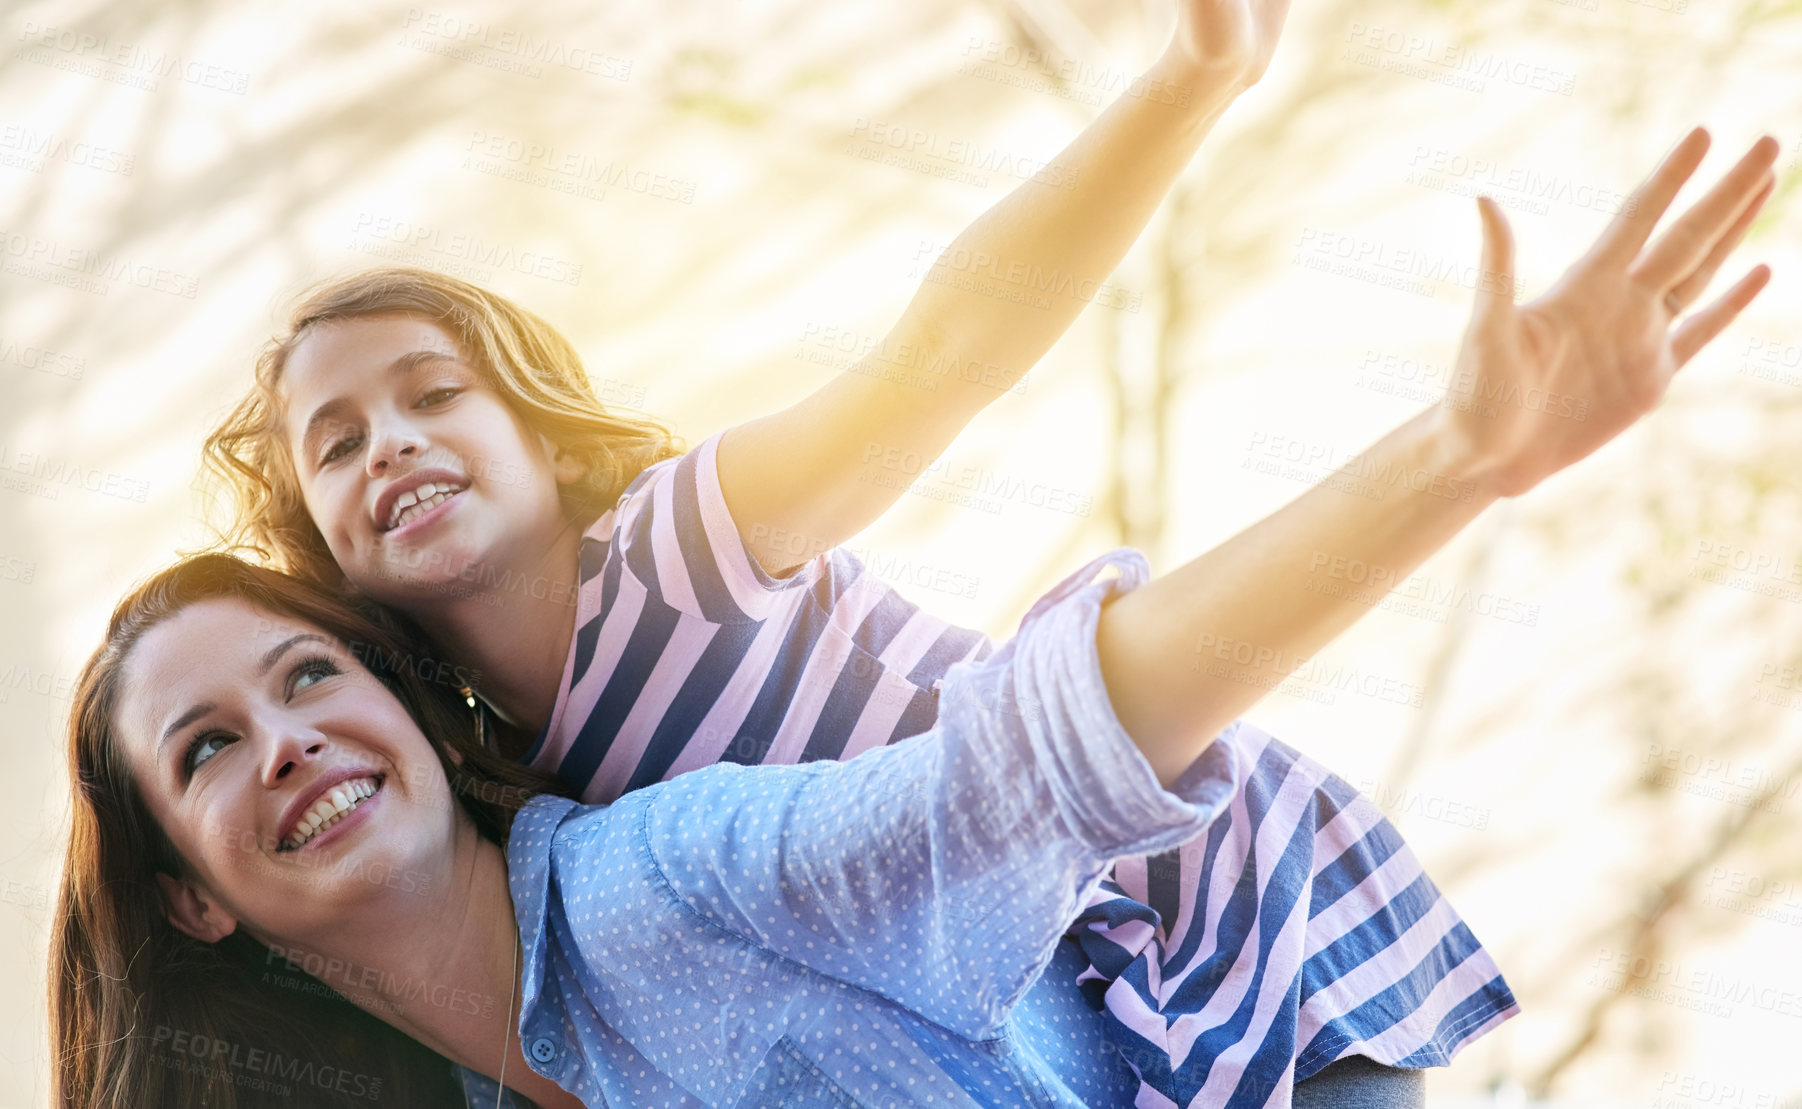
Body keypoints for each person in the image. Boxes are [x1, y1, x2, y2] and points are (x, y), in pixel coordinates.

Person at [57, 125, 1779, 1108]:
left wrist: (1445, 452)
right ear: (190, 896)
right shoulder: (528, 838)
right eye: (211, 743)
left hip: (1207, 901)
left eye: (434, 395)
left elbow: (948, 401)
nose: (395, 449)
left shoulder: (678, 605)